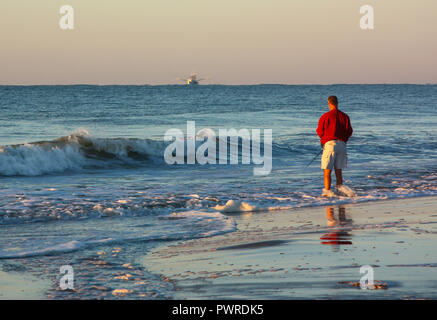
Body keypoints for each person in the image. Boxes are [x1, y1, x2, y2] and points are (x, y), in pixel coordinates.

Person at [316, 96, 354, 197]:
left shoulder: (325, 116)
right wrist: (344, 140)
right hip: (342, 145)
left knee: (327, 171)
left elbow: (319, 131)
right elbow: (349, 131)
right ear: (337, 103)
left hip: (330, 144)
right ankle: (340, 192)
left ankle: (327, 192)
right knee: (339, 171)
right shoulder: (345, 116)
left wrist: (324, 140)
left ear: (329, 103)